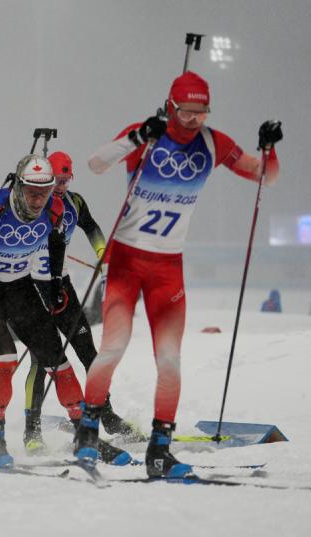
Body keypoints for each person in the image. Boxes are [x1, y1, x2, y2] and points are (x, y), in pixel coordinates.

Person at [74, 71, 282, 478]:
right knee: (113, 349)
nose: (192, 120)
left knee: (170, 360)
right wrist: (136, 139)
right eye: (186, 111)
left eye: (201, 112)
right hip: (127, 264)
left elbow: (264, 175)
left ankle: (160, 449)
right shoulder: (146, 134)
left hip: (167, 268)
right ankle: (86, 435)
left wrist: (269, 148)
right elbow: (95, 163)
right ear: (171, 106)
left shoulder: (212, 143)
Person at [0, 154, 130, 469]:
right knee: (7, 359)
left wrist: (55, 286)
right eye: (32, 191)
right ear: (19, 186)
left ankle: (85, 436)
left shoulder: (55, 208)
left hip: (19, 287)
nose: (39, 198)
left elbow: (56, 242)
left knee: (60, 363)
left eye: (46, 190)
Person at [23, 150, 134, 455]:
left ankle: (107, 416)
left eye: (65, 180)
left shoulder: (76, 202)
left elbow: (92, 228)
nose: (60, 186)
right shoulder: (32, 202)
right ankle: (31, 432)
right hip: (32, 289)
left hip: (63, 288)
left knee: (90, 354)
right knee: (41, 361)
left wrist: (102, 254)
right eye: (55, 180)